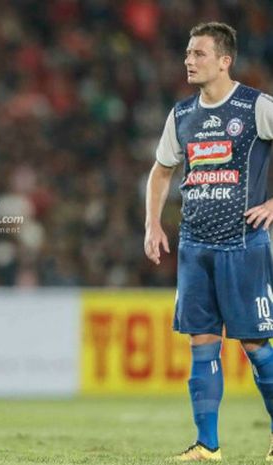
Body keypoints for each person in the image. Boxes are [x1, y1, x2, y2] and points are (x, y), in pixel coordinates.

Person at [145, 22, 273, 461]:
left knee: (256, 346)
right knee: (201, 341)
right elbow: (162, 170)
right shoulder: (182, 115)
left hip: (244, 245)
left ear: (224, 60)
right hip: (195, 248)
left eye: (198, 54)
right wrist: (152, 224)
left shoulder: (256, 106)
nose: (188, 61)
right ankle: (207, 445)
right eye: (186, 54)